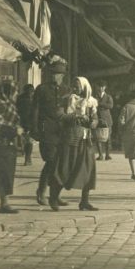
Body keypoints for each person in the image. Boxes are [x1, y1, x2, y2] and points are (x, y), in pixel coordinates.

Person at [50, 76, 99, 212]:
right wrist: (75, 116)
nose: (75, 88)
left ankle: (84, 201)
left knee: (88, 170)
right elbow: (59, 116)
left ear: (84, 87)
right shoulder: (66, 99)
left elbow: (95, 120)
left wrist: (92, 122)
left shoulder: (91, 102)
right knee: (65, 168)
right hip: (70, 138)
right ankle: (53, 197)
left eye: (77, 86)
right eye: (74, 85)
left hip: (85, 140)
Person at [32, 58, 68, 207]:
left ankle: (55, 194)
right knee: (51, 161)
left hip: (62, 131)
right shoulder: (41, 89)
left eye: (57, 74)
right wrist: (34, 129)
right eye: (53, 73)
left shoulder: (67, 90)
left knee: (60, 163)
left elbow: (68, 110)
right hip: (47, 130)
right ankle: (41, 191)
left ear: (62, 76)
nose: (54, 76)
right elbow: (35, 110)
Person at [0, 80, 21, 213]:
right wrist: (15, 131)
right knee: (1, 174)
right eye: (13, 91)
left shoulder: (10, 105)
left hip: (9, 146)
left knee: (6, 175)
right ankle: (4, 204)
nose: (15, 93)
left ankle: (4, 203)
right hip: (0, 144)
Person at [14, 84, 34, 166]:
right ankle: (26, 157)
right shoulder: (20, 98)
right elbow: (16, 109)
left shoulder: (34, 98)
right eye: (29, 91)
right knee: (25, 140)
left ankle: (27, 158)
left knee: (28, 140)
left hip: (30, 122)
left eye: (31, 91)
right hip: (22, 122)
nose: (30, 92)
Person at [94, 82, 114, 160]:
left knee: (108, 138)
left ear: (105, 87)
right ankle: (100, 155)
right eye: (100, 86)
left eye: (102, 87)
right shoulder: (95, 96)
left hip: (107, 119)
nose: (101, 88)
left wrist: (100, 104)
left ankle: (107, 154)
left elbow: (110, 106)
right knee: (98, 137)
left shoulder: (108, 97)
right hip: (98, 118)